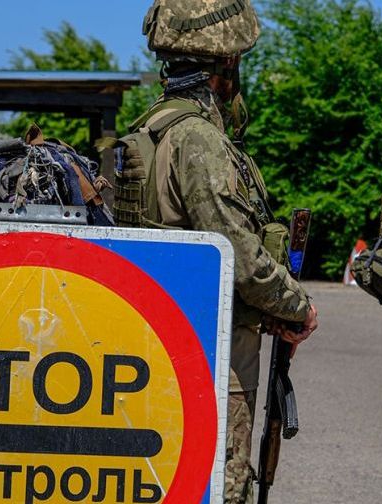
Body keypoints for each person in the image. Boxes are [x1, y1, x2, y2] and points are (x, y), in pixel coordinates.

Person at [126, 1, 319, 501]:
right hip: (214, 363)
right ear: (225, 67)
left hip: (164, 350)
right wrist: (297, 307)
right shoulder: (198, 139)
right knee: (220, 486)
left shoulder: (153, 126)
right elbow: (238, 255)